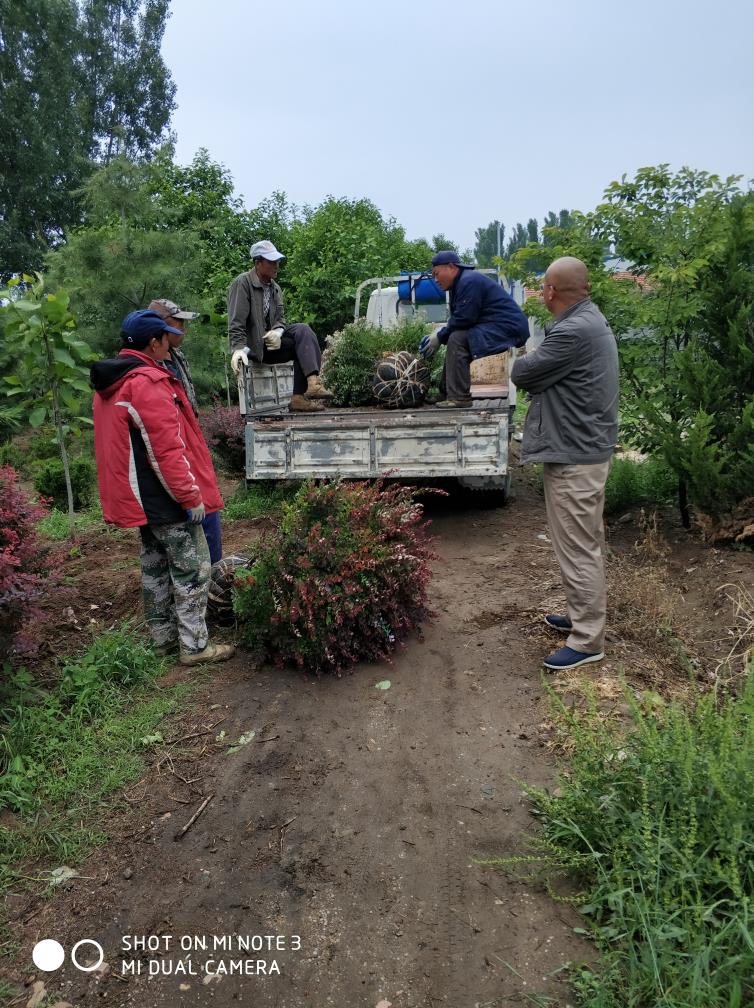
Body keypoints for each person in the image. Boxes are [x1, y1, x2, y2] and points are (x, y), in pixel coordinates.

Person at [90, 309, 235, 666]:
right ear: (153, 343)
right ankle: (195, 645)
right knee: (194, 567)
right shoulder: (146, 383)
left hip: (142, 499)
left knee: (155, 567)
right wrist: (191, 496)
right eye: (167, 339)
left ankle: (164, 641)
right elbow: (166, 450)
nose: (171, 346)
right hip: (166, 497)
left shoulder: (114, 382)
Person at [511, 256, 619, 671]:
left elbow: (524, 372)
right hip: (580, 449)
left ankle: (588, 639)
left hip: (576, 455)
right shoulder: (587, 321)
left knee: (578, 547)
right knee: (579, 542)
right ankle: (579, 617)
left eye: (543, 287)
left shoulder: (573, 332)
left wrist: (525, 360)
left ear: (551, 291)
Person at [147, 297, 223, 565]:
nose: (184, 328)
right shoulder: (150, 369)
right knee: (196, 512)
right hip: (175, 451)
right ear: (162, 329)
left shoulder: (177, 357)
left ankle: (212, 574)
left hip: (190, 443)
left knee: (209, 512)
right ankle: (204, 575)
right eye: (178, 322)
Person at [227, 240, 332, 412]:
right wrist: (238, 348)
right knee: (300, 336)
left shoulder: (275, 288)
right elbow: (236, 321)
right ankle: (308, 388)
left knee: (303, 332)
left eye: (277, 261)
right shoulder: (243, 283)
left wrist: (278, 332)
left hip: (271, 345)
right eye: (271, 261)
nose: (277, 265)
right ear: (258, 263)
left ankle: (307, 389)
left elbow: (280, 319)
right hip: (254, 348)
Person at [418, 250, 529, 407]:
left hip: (508, 327)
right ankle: (447, 394)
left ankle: (459, 398)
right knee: (455, 337)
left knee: (457, 338)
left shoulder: (468, 281)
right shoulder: (461, 283)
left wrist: (440, 336)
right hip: (497, 325)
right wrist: (441, 334)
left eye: (437, 274)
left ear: (451, 267)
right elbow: (460, 318)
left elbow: (465, 319)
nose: (435, 280)